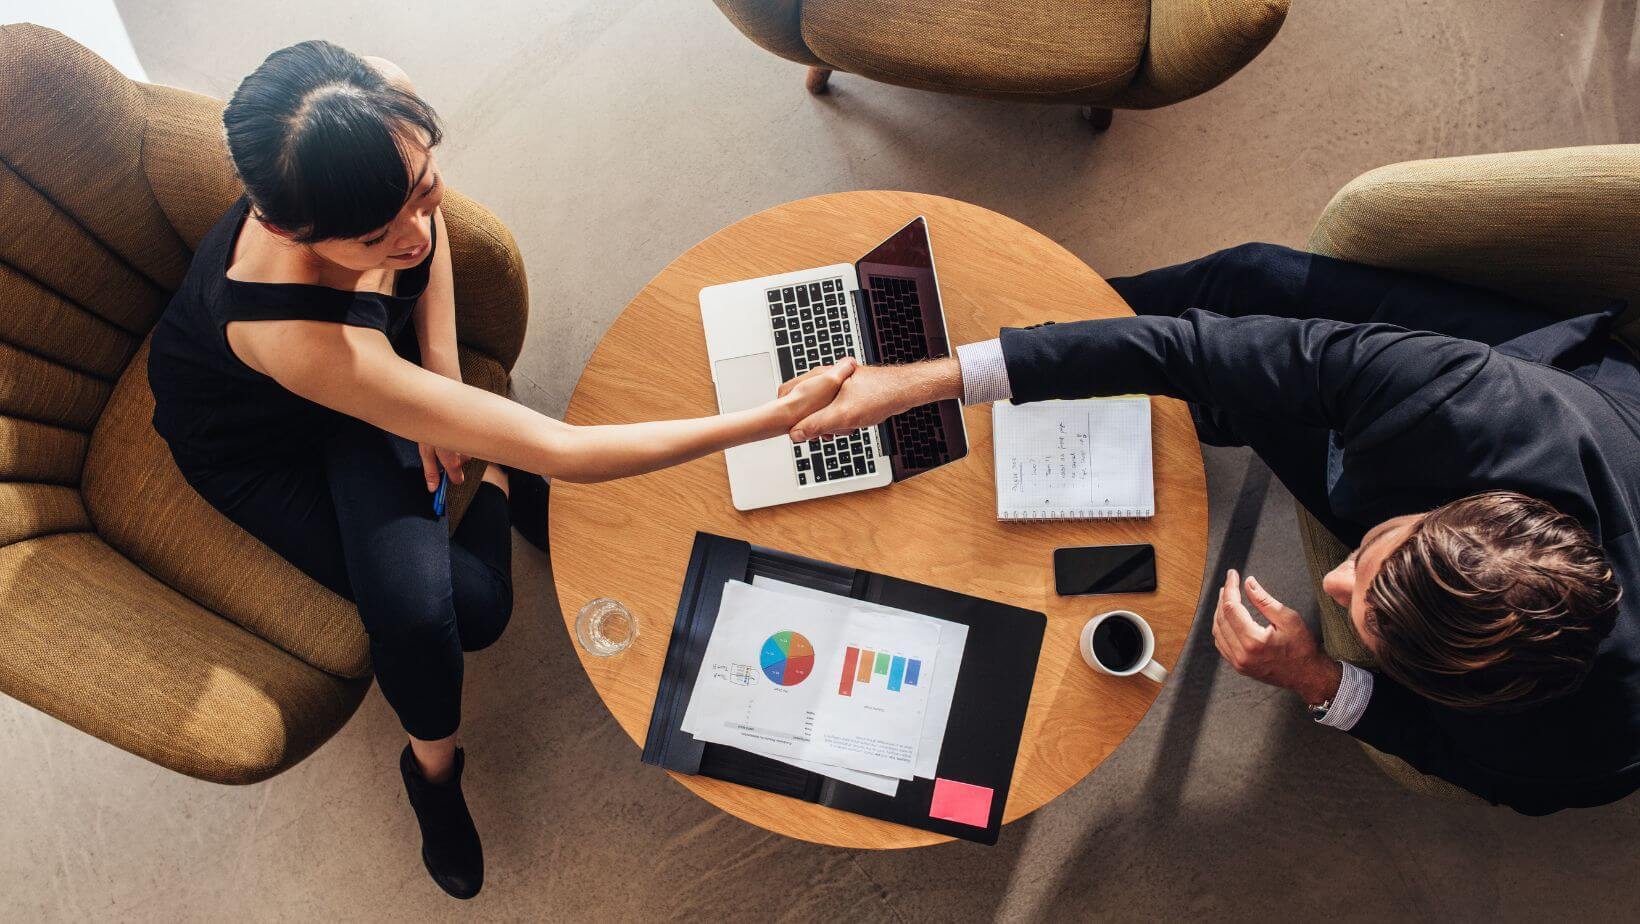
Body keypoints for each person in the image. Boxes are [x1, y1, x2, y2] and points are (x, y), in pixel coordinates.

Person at [146, 41, 855, 899]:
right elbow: (563, 451)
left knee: (465, 604)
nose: (413, 237)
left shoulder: (382, 101)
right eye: (374, 236)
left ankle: (490, 482)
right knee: (447, 614)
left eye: (423, 191)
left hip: (378, 375)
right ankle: (433, 776)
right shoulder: (294, 338)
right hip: (259, 438)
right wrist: (773, 419)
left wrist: (441, 374)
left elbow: (425, 237)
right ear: (286, 228)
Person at [787, 242, 1640, 814]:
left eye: (1365, 625)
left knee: (1240, 396)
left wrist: (1319, 678)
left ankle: (1199, 415)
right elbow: (1199, 346)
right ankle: (1069, 331)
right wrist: (934, 380)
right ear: (1455, 507)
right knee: (1245, 287)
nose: (1334, 584)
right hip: (1572, 391)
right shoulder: (1459, 395)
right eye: (1371, 562)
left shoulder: (1577, 749)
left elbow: (1461, 760)